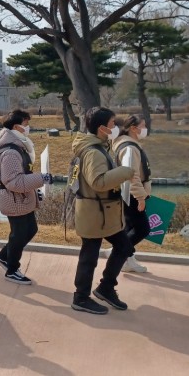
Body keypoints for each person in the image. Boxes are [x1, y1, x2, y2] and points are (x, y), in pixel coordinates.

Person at [70, 107, 135, 315]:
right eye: (112, 124)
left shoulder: (98, 147)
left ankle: (106, 287)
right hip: (94, 213)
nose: (115, 127)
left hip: (102, 212)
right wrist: (124, 172)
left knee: (124, 246)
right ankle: (81, 297)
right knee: (89, 255)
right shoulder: (93, 152)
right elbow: (98, 182)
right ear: (101, 128)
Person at [0, 110, 51, 285]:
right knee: (18, 234)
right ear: (17, 127)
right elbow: (13, 182)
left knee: (30, 230)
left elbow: (22, 175)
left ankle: (3, 256)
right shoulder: (10, 152)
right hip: (14, 200)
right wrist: (42, 178)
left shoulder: (18, 145)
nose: (28, 127)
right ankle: (12, 270)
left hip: (21, 199)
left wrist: (36, 187)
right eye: (26, 123)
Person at [110, 114, 152, 273]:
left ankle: (127, 258)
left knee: (129, 228)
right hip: (132, 194)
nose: (145, 129)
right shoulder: (130, 148)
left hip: (127, 192)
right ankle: (119, 251)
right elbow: (131, 174)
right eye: (143, 126)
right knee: (142, 229)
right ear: (133, 128)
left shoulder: (127, 145)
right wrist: (140, 197)